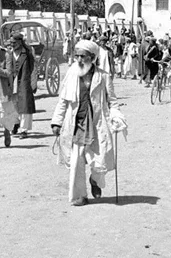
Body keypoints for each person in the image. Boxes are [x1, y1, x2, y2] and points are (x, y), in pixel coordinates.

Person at [51, 39, 124, 207]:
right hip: (76, 124)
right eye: (76, 56)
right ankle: (80, 196)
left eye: (82, 56)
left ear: (92, 57)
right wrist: (57, 121)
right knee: (76, 161)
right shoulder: (71, 74)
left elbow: (112, 101)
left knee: (100, 161)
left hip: (98, 123)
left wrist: (117, 117)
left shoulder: (103, 76)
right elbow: (63, 100)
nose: (79, 59)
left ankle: (95, 181)